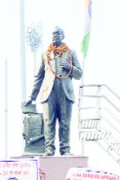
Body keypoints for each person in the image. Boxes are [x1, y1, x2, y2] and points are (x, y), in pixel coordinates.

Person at [25, 26, 83, 156]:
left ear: (63, 36)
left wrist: (69, 67)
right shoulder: (45, 54)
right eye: (53, 33)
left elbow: (79, 74)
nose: (55, 35)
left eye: (58, 33)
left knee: (65, 122)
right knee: (48, 122)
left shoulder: (71, 53)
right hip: (49, 92)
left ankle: (65, 149)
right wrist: (32, 96)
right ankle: (49, 148)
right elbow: (39, 76)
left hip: (65, 92)